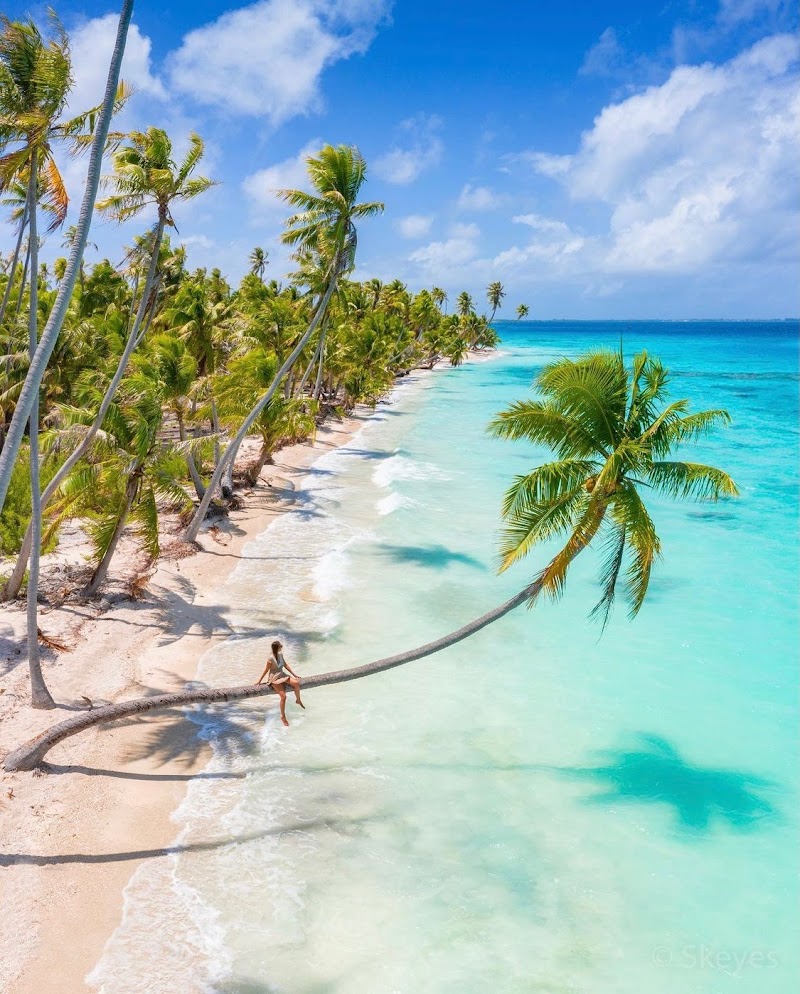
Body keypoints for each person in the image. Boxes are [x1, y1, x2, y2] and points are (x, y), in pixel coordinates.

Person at [256, 640, 305, 726]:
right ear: (277, 648)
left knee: (296, 683)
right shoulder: (270, 659)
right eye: (280, 646)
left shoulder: (281, 655)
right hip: (274, 678)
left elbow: (286, 665)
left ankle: (298, 700)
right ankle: (282, 716)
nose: (281, 647)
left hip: (282, 675)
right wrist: (259, 681)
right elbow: (266, 670)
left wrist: (294, 675)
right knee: (283, 696)